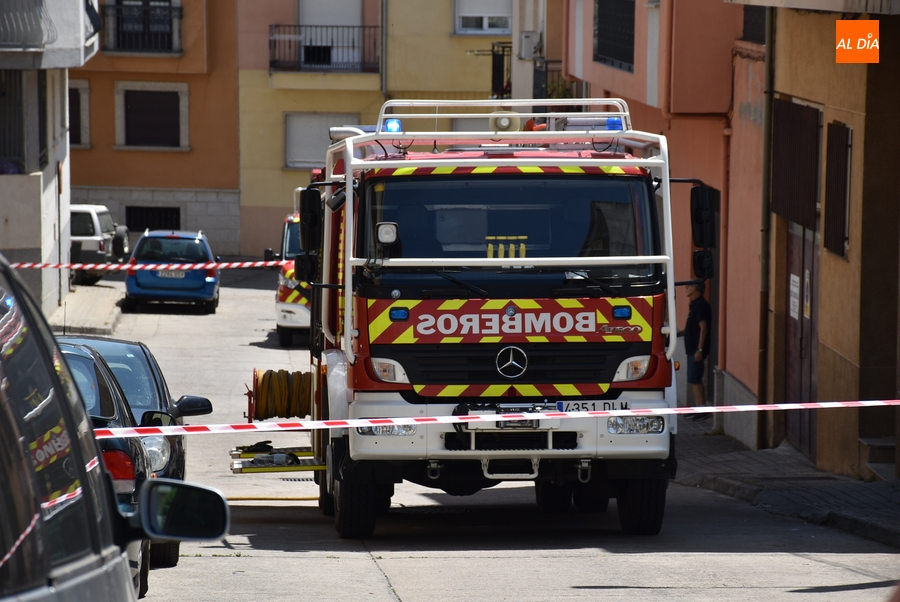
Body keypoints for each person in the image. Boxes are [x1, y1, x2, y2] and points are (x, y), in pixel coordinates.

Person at [683, 281, 711, 420]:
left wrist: (699, 349)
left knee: (695, 379)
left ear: (695, 288)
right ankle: (697, 407)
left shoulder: (700, 305)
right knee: (693, 379)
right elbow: (692, 328)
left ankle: (702, 408)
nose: (686, 289)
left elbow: (703, 328)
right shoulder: (694, 305)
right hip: (691, 349)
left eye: (688, 287)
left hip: (696, 349)